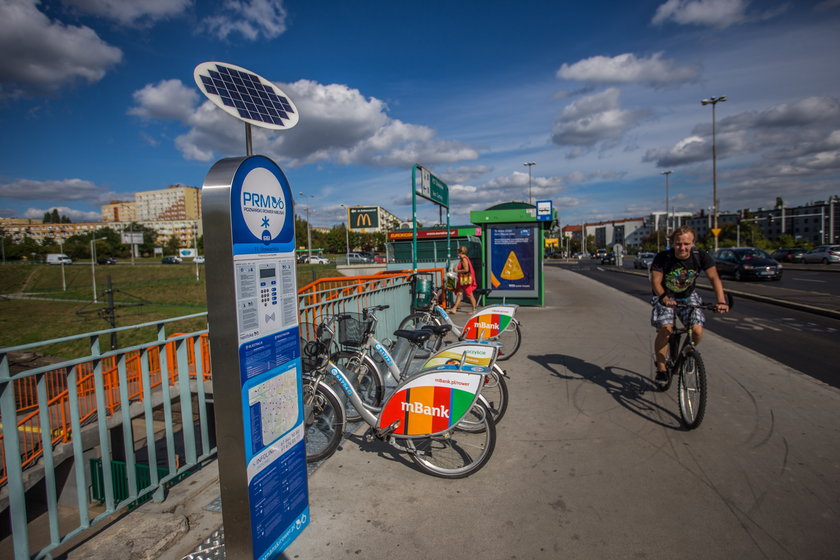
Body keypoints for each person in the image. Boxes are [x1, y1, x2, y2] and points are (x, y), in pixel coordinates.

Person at [649, 226, 729, 385]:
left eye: (686, 244)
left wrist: (721, 301)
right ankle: (661, 366)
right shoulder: (663, 257)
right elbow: (656, 282)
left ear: (693, 243)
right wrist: (664, 298)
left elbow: (714, 278)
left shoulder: (701, 257)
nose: (682, 248)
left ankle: (687, 353)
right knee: (666, 329)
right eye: (678, 244)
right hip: (665, 295)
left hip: (687, 296)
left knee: (697, 330)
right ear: (673, 243)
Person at [451, 246, 477, 313]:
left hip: (465, 280)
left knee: (470, 294)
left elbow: (466, 269)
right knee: (459, 293)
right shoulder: (463, 258)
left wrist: (456, 271)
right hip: (462, 280)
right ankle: (454, 308)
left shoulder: (464, 259)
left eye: (458, 251)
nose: (457, 253)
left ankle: (474, 309)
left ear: (460, 252)